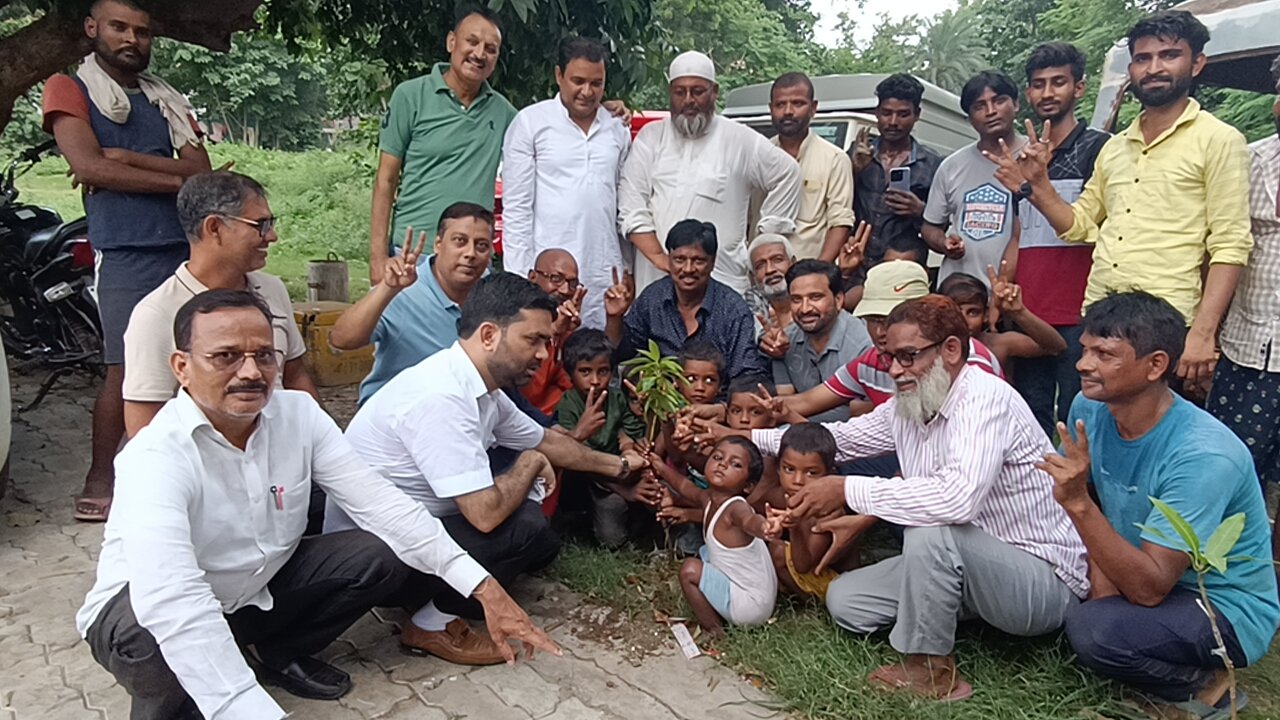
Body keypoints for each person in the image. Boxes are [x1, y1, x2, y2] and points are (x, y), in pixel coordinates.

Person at [77, 289, 559, 720]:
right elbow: (173, 600)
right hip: (140, 614)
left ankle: (275, 651)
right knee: (166, 648)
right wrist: (246, 705)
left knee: (378, 551)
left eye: (264, 355)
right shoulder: (154, 455)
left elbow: (384, 507)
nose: (250, 372)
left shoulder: (298, 415)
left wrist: (484, 589)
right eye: (225, 356)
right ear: (181, 367)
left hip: (252, 588)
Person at [749, 295, 1089, 701]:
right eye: (890, 357)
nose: (895, 369)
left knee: (931, 530)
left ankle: (932, 671)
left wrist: (846, 490)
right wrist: (742, 439)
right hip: (972, 567)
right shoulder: (913, 402)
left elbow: (956, 500)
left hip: (1040, 581)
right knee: (847, 601)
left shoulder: (985, 399)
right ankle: (955, 614)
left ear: (950, 350)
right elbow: (840, 439)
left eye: (908, 356)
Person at [326, 273, 648, 664]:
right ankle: (429, 623)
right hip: (376, 562)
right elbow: (484, 515)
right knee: (523, 527)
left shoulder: (480, 385)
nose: (546, 355)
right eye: (534, 340)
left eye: (546, 342)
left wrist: (625, 465)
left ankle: (438, 601)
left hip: (410, 534)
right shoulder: (443, 397)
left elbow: (547, 441)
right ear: (489, 335)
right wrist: (529, 463)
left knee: (541, 541)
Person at [1040, 292, 1279, 716]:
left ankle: (1207, 686)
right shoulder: (1090, 407)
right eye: (1085, 349)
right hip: (1146, 568)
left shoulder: (1202, 455)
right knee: (1057, 598)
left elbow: (1150, 590)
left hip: (1220, 604)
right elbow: (1092, 493)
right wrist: (1103, 587)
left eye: (1105, 354)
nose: (1083, 365)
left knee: (1094, 631)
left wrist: (1077, 505)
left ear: (1155, 365)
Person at [990, 10, 1252, 393]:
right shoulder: (1116, 148)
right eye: (1143, 59)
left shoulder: (1219, 140)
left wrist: (1203, 332)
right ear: (1131, 69)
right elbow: (1079, 225)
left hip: (1165, 321)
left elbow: (1231, 244)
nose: (1154, 68)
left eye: (1169, 56)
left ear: (1196, 64)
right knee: (1098, 431)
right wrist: (1039, 187)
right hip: (1101, 313)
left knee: (1152, 438)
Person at [42, 0, 213, 521]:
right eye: (119, 27)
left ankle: (193, 471)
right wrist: (175, 180)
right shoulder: (68, 88)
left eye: (142, 31)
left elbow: (200, 169)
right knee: (124, 368)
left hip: (189, 250)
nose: (131, 39)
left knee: (201, 362)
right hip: (125, 251)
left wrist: (125, 161)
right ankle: (103, 475)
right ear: (93, 29)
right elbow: (88, 164)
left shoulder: (165, 97)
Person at [122, 172, 315, 437]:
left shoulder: (272, 290)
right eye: (260, 224)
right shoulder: (156, 314)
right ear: (214, 227)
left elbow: (295, 376)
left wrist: (317, 443)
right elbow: (144, 424)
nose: (272, 236)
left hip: (283, 456)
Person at [618, 50, 801, 293]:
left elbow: (788, 174)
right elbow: (631, 208)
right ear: (670, 93)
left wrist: (765, 237)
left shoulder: (738, 138)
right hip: (656, 280)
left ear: (714, 92)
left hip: (722, 282)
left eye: (698, 91)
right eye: (680, 92)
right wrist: (662, 260)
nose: (688, 100)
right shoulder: (651, 138)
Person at [367, 6, 513, 284]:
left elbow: (547, 133)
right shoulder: (411, 96)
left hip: (472, 258)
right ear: (451, 42)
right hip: (412, 255)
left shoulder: (503, 113)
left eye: (490, 49)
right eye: (472, 42)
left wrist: (601, 110)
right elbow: (385, 180)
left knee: (472, 329)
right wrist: (377, 259)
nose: (480, 54)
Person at [1010, 42, 1110, 435]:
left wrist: (1040, 184)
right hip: (1029, 311)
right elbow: (1019, 233)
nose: (1047, 93)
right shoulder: (1021, 157)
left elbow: (1099, 226)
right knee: (1029, 417)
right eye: (1038, 84)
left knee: (1079, 417)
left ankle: (1084, 496)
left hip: (1079, 311)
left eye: (1058, 82)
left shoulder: (1100, 149)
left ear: (1079, 88)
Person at [500, 37, 630, 330]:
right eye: (578, 81)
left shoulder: (617, 128)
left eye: (596, 83)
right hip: (549, 277)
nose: (587, 91)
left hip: (602, 273)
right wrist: (521, 280)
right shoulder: (531, 123)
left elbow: (622, 205)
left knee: (595, 364)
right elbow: (517, 209)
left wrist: (627, 269)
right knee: (545, 357)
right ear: (559, 76)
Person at [1208, 60, 1280, 578]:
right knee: (1236, 467)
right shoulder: (1248, 162)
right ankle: (1228, 576)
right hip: (1247, 346)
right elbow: (1218, 247)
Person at [775, 260, 1000, 423]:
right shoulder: (870, 362)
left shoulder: (971, 364)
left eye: (893, 319)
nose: (883, 331)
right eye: (874, 320)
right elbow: (808, 404)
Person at [331, 202, 493, 404]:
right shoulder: (404, 289)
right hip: (398, 412)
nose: (470, 254)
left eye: (481, 246)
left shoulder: (493, 292)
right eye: (460, 241)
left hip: (466, 408)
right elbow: (341, 340)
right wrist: (387, 289)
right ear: (438, 245)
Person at [607, 219, 768, 382]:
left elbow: (746, 376)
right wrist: (614, 317)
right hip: (661, 400)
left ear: (712, 263)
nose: (688, 269)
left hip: (716, 403)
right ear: (669, 259)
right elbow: (618, 355)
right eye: (679, 260)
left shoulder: (733, 309)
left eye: (698, 261)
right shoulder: (652, 299)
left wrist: (717, 407)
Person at [661, 436, 777, 637]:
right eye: (717, 457)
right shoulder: (710, 499)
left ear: (748, 485)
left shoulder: (736, 508)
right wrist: (658, 465)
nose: (722, 464)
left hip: (749, 606)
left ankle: (715, 630)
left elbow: (749, 521)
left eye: (735, 464)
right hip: (756, 599)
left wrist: (765, 526)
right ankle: (721, 608)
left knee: (690, 570)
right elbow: (685, 488)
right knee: (705, 552)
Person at [921, 71, 1025, 288]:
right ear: (969, 118)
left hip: (1019, 294)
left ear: (1015, 104)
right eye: (979, 106)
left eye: (999, 101)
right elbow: (929, 227)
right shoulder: (952, 166)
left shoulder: (1036, 159)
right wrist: (944, 243)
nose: (991, 111)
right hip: (961, 297)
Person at [556, 328, 658, 548]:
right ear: (569, 374)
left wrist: (630, 446)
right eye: (585, 371)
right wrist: (625, 491)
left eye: (603, 372)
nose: (595, 380)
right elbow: (577, 460)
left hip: (619, 469)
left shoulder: (616, 398)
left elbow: (629, 429)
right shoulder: (568, 404)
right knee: (612, 539)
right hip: (592, 477)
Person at [851, 73, 942, 267]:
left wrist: (921, 211)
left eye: (903, 114)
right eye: (886, 113)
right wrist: (854, 171)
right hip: (854, 262)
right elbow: (835, 204)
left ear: (917, 114)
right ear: (877, 112)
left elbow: (943, 226)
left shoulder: (932, 164)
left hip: (902, 267)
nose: (893, 122)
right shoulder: (855, 154)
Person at [766, 72, 855, 261]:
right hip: (761, 277)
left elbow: (840, 222)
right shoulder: (758, 156)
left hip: (807, 278)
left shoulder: (834, 159)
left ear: (813, 108)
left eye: (798, 103)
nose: (788, 111)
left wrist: (819, 273)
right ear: (770, 109)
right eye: (780, 104)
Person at [771, 260, 873, 423]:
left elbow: (860, 418)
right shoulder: (783, 342)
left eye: (815, 297)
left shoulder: (862, 346)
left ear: (839, 300)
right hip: (796, 434)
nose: (805, 309)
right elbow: (784, 404)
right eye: (796, 299)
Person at [766, 423, 845, 600]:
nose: (798, 481)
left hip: (833, 581)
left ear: (828, 476)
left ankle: (810, 603)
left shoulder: (829, 514)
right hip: (802, 565)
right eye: (789, 469)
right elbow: (752, 509)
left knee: (778, 550)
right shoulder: (780, 495)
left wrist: (794, 527)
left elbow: (803, 566)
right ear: (778, 468)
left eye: (811, 473)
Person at [938, 268, 1066, 371]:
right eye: (955, 312)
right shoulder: (930, 348)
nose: (963, 320)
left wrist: (1019, 312)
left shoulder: (998, 344)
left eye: (973, 313)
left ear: (986, 315)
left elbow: (1056, 346)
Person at [520, 248, 583, 416]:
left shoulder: (566, 323)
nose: (565, 290)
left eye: (572, 283)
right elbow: (528, 393)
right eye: (556, 279)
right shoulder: (515, 318)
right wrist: (553, 332)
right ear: (532, 277)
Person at [744, 232, 796, 354]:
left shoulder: (810, 293)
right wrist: (763, 339)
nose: (770, 270)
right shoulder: (745, 303)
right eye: (760, 266)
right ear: (753, 277)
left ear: (793, 263)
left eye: (777, 260)